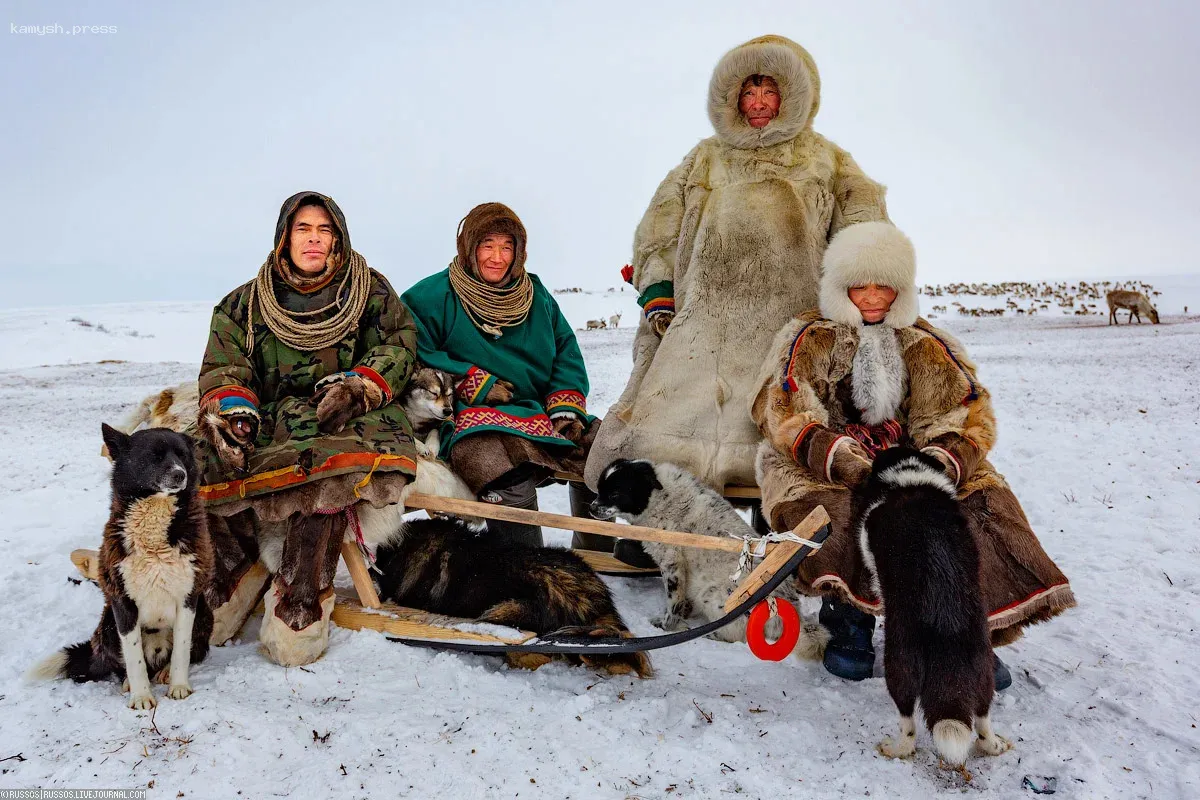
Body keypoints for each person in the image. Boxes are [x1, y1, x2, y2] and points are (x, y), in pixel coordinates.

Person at [752, 221, 1076, 684]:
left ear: (900, 289)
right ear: (840, 287)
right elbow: (785, 405)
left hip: (907, 456)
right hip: (824, 461)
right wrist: (841, 457)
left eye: (883, 286)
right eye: (858, 286)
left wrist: (938, 461)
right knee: (841, 513)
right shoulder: (810, 336)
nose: (870, 297)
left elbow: (960, 409)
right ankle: (849, 624)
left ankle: (966, 631)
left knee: (977, 507)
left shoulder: (922, 341)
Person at [586, 35, 890, 505]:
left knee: (782, 434)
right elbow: (659, 229)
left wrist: (860, 290)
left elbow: (863, 227)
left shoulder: (826, 160)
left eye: (771, 92)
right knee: (667, 430)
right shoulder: (706, 158)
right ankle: (657, 526)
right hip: (703, 324)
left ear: (793, 96)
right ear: (732, 98)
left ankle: (780, 530)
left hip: (790, 326)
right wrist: (659, 291)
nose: (760, 104)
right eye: (749, 92)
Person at [195, 191, 419, 666]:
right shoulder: (245, 304)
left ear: (337, 239)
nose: (314, 240)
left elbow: (400, 344)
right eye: (303, 229)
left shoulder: (370, 290)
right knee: (210, 457)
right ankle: (228, 582)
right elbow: (225, 365)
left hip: (348, 412)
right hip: (273, 413)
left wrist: (361, 386)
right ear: (284, 236)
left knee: (331, 468)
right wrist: (236, 412)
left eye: (324, 231)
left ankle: (301, 602)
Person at [402, 203, 598, 547]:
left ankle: (597, 544)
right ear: (469, 247)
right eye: (487, 245)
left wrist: (565, 407)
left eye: (507, 247)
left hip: (537, 408)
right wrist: (472, 382)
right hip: (472, 416)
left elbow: (566, 348)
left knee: (603, 445)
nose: (497, 256)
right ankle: (529, 563)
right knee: (497, 462)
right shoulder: (432, 295)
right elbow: (414, 348)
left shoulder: (536, 296)